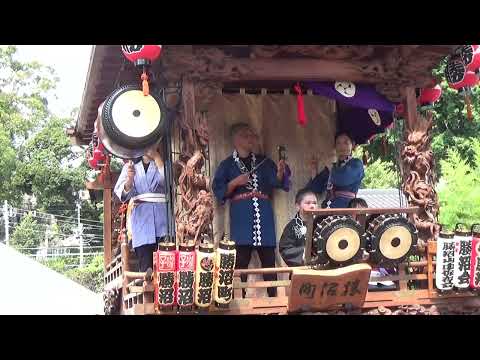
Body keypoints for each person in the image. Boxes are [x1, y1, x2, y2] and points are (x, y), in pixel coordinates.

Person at [212, 122, 289, 297]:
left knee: (269, 262)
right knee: (240, 262)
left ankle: (274, 301)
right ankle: (239, 301)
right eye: (246, 135)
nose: (250, 138)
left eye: (252, 135)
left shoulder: (264, 161)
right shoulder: (227, 165)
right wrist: (234, 183)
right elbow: (218, 190)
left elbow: (276, 183)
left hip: (264, 216)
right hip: (241, 218)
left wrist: (279, 173)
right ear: (235, 139)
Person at [113, 144, 167, 275]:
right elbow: (121, 193)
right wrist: (130, 180)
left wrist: (157, 157)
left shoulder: (163, 163)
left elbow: (169, 182)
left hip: (163, 219)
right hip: (141, 222)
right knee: (146, 266)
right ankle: (148, 290)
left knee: (165, 265)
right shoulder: (129, 166)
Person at [306, 132, 365, 208]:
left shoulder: (356, 164)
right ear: (335, 147)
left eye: (346, 143)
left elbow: (343, 179)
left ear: (353, 145)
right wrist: (314, 170)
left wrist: (330, 167)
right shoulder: (332, 167)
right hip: (329, 206)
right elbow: (314, 188)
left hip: (348, 206)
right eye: (338, 143)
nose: (341, 146)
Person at [279, 189, 318, 267]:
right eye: (308, 203)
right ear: (297, 206)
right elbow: (285, 250)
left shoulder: (320, 223)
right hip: (301, 271)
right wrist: (307, 252)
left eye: (314, 203)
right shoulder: (292, 226)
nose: (312, 206)